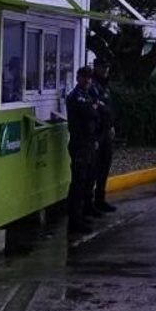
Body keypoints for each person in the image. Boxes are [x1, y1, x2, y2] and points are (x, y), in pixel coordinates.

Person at [65, 65, 100, 234]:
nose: (88, 80)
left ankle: (82, 214)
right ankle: (74, 220)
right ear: (78, 77)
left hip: (88, 143)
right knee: (78, 182)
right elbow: (90, 113)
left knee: (88, 180)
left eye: (90, 77)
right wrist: (93, 108)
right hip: (79, 143)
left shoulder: (87, 94)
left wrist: (94, 108)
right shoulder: (76, 96)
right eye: (84, 77)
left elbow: (99, 112)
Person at [90, 60, 117, 214]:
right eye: (103, 67)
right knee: (94, 168)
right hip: (97, 132)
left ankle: (100, 199)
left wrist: (111, 126)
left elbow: (108, 109)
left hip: (106, 131)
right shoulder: (93, 86)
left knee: (105, 166)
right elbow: (97, 108)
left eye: (107, 67)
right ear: (96, 68)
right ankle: (91, 202)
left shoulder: (105, 86)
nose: (105, 70)